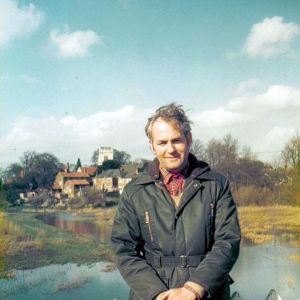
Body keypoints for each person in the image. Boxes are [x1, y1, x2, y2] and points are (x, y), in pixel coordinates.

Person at [111, 103, 241, 300]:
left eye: (177, 140)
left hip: (207, 293)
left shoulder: (216, 184)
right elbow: (123, 249)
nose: (170, 149)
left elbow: (228, 241)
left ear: (188, 140)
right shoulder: (134, 191)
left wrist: (195, 288)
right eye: (162, 142)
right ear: (151, 145)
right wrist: (156, 293)